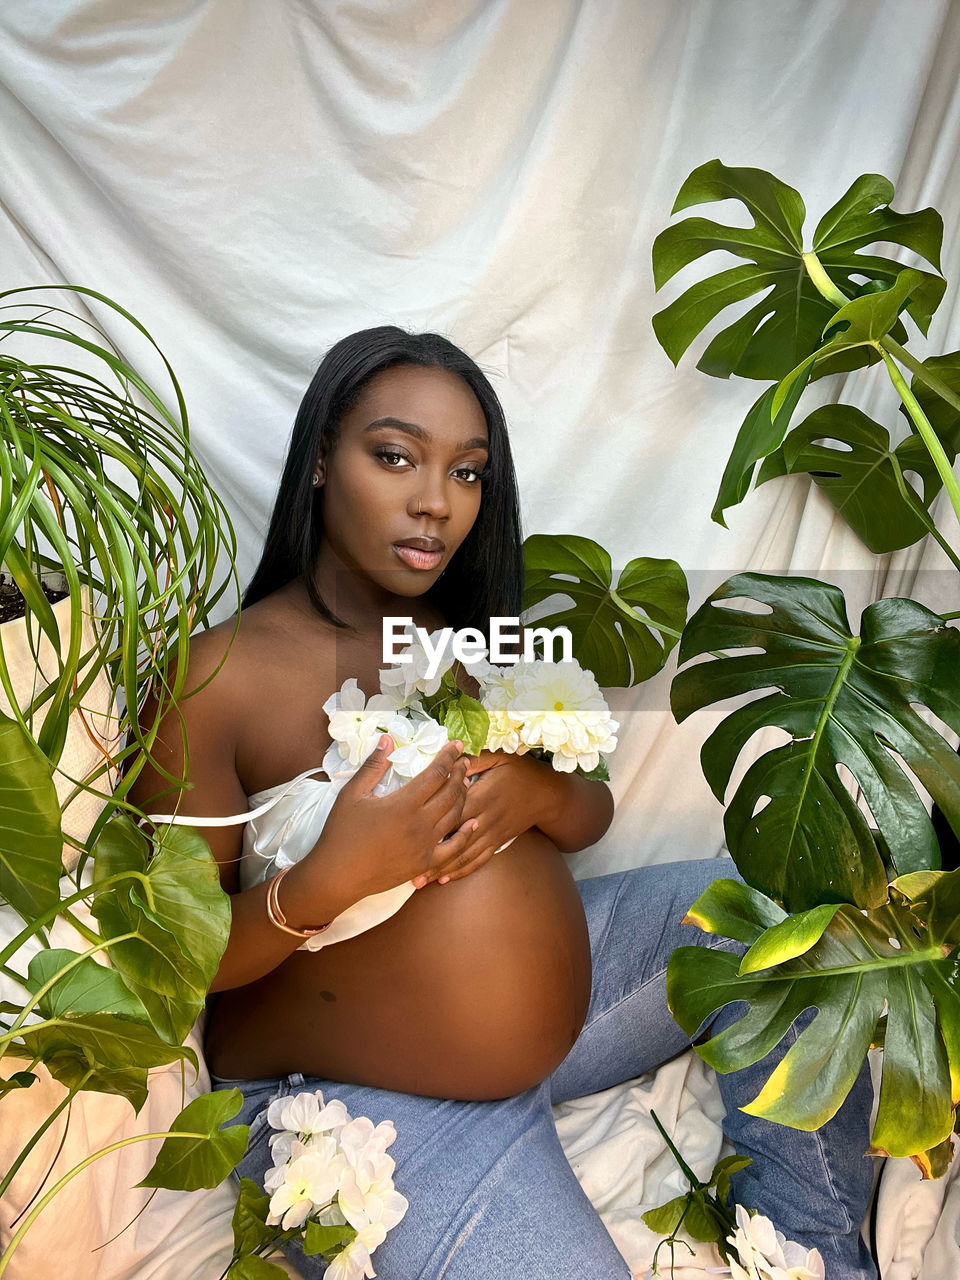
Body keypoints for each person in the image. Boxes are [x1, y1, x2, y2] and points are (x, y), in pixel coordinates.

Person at [127, 327, 877, 1279]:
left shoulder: (469, 637)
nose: (437, 504)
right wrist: (323, 883)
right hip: (359, 1105)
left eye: (468, 473)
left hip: (567, 1021)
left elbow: (588, 816)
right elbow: (169, 971)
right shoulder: (215, 680)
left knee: (790, 925)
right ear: (320, 461)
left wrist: (536, 792)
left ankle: (807, 1249)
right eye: (395, 456)